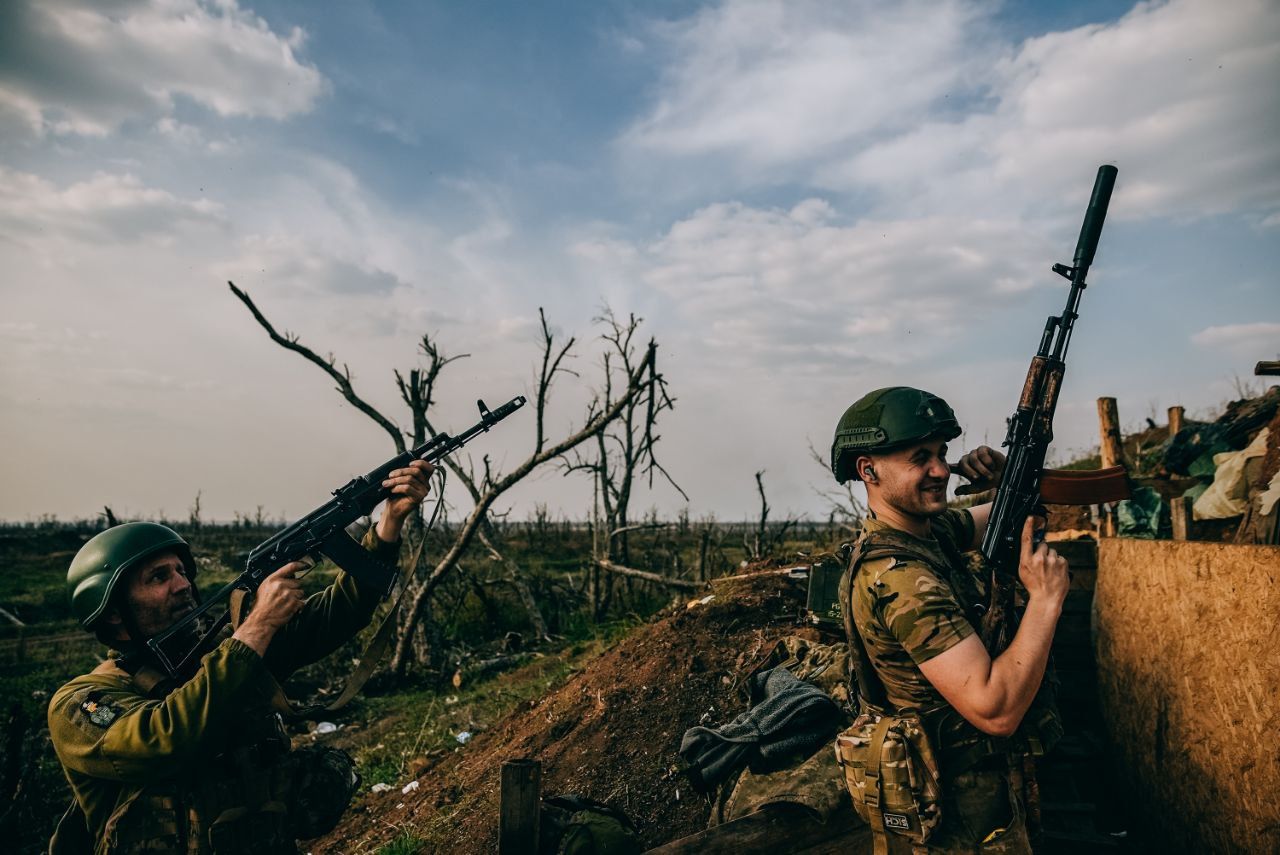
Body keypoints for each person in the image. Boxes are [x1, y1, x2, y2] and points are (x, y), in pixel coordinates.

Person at [48, 460, 435, 854]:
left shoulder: (224, 658)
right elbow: (162, 739)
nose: (183, 585)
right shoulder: (80, 704)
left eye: (182, 571)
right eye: (159, 578)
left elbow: (335, 617)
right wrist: (256, 627)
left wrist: (389, 525)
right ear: (112, 610)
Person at [830, 387, 1067, 853]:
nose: (941, 470)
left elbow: (1024, 518)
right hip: (960, 813)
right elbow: (994, 709)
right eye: (920, 458)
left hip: (982, 788)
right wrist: (1046, 600)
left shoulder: (928, 533)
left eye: (942, 454)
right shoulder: (898, 579)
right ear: (868, 470)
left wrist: (1008, 477)